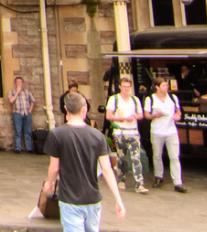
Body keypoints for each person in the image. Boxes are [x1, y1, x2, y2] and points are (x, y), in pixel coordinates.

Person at [44, 90, 128, 232]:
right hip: (92, 199)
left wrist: (50, 184)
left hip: (70, 199)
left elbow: (54, 168)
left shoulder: (57, 135)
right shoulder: (98, 136)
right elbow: (107, 170)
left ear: (65, 109)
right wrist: (118, 199)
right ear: (84, 110)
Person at [102, 75, 148, 195]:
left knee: (136, 158)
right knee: (121, 158)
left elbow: (141, 115)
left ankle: (139, 184)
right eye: (124, 86)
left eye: (128, 87)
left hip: (133, 131)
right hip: (120, 132)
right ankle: (121, 178)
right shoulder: (114, 99)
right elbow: (109, 115)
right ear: (120, 87)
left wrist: (134, 116)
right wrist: (121, 119)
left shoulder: (135, 100)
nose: (126, 89)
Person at [145, 77, 185, 193]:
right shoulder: (150, 99)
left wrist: (178, 116)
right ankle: (158, 176)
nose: (166, 87)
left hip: (171, 131)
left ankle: (178, 182)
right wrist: (154, 115)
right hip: (157, 131)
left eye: (166, 85)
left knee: (174, 156)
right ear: (157, 87)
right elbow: (146, 115)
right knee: (157, 155)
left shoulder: (172, 97)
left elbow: (178, 111)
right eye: (163, 85)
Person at [10, 75, 37, 153]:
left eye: (20, 82)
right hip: (17, 113)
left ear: (23, 83)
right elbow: (11, 101)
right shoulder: (12, 92)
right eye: (17, 82)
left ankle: (29, 148)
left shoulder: (27, 92)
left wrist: (30, 110)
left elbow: (33, 101)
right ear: (15, 83)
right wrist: (17, 92)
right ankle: (18, 148)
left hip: (27, 113)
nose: (19, 83)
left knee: (28, 131)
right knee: (18, 131)